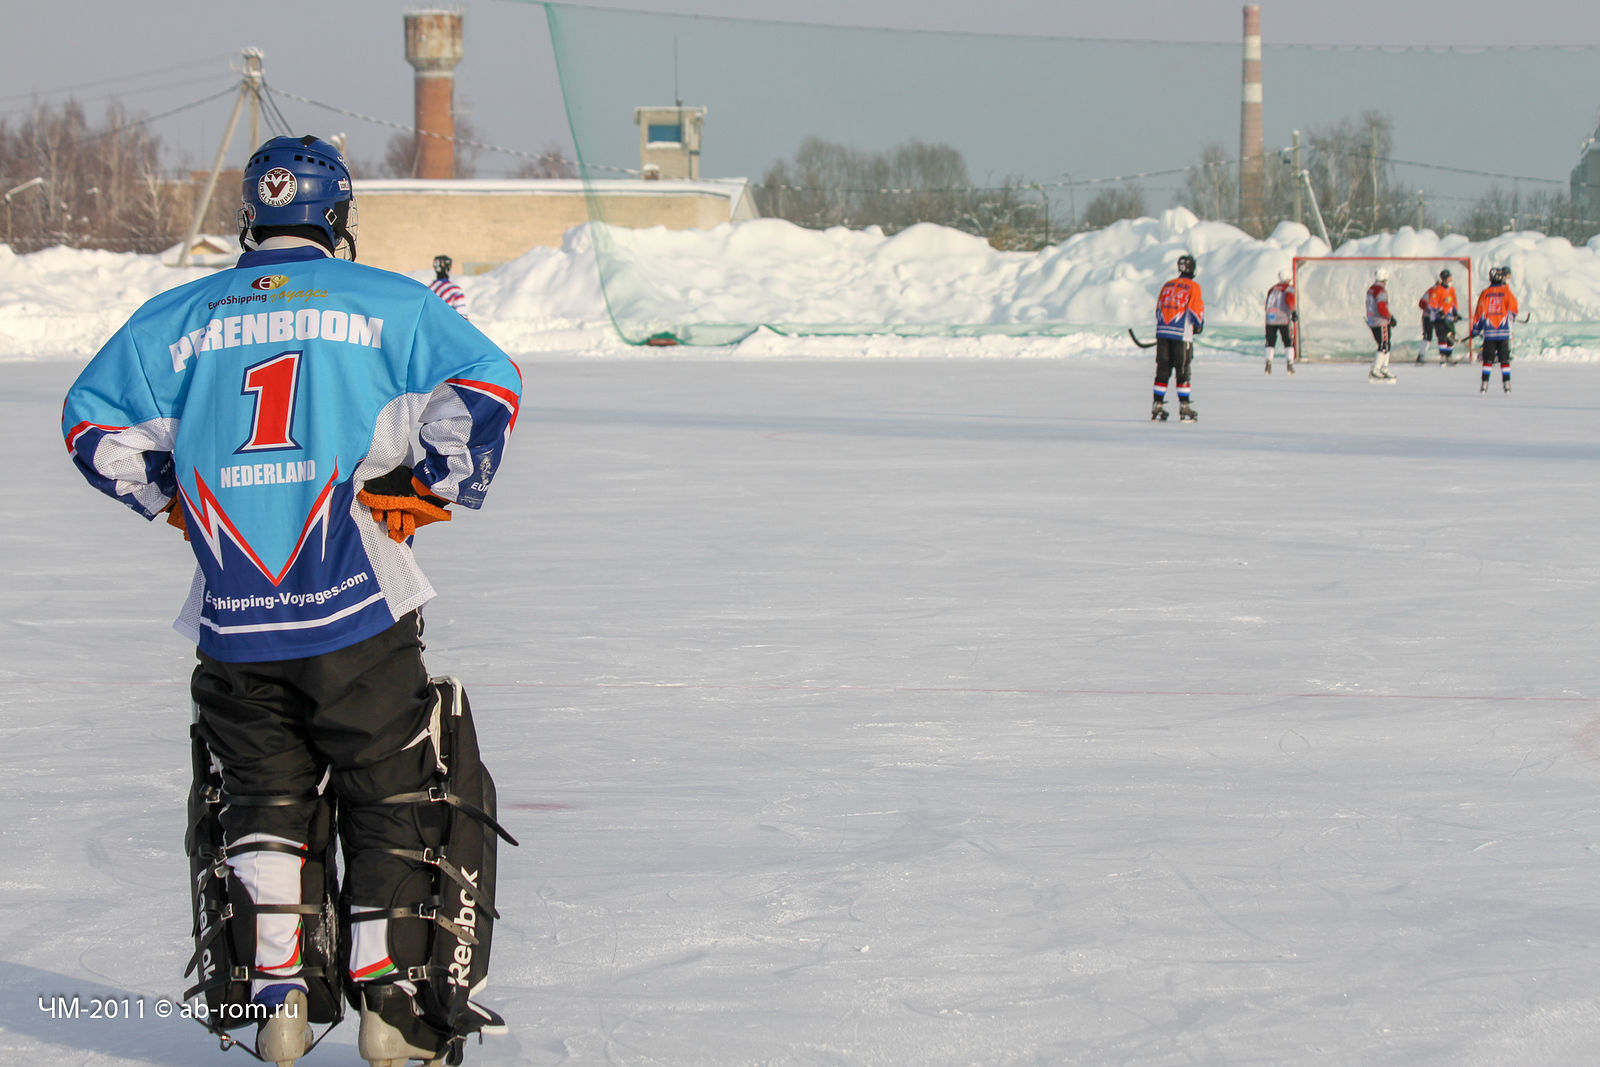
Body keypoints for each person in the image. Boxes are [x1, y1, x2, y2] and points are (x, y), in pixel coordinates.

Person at [61, 135, 523, 1067]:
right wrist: (429, 483)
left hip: (233, 613)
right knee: (391, 784)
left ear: (251, 217)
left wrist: (176, 501)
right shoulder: (386, 300)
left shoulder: (173, 316)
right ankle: (391, 1002)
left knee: (264, 794)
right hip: (356, 596)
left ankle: (278, 993)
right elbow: (487, 387)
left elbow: (91, 424)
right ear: (336, 218)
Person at [1153, 252, 1204, 421]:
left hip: (1163, 332)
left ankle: (1157, 405)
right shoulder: (1193, 287)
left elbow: (1158, 309)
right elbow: (1195, 312)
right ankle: (1184, 407)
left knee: (1162, 370)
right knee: (1182, 370)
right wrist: (1198, 326)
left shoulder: (1167, 285)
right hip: (1181, 335)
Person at [1470, 265, 1519, 393]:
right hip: (1503, 333)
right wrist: (1509, 317)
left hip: (1489, 333)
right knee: (1504, 360)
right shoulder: (1506, 292)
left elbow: (1480, 313)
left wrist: (1476, 329)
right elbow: (1513, 309)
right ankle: (1506, 383)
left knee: (1488, 360)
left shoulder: (1485, 293)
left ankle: (1484, 383)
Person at [1418, 268, 1462, 364]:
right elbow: (1426, 303)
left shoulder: (1451, 289)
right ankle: (1431, 356)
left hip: (1448, 318)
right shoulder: (1434, 290)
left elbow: (1453, 302)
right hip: (1433, 318)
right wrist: (1438, 311)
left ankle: (1448, 356)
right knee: (1435, 336)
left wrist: (1455, 313)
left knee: (1451, 337)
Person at [1365, 267, 1397, 382]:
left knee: (1385, 344)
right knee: (1384, 345)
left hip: (1372, 320)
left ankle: (1383, 369)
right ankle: (1377, 369)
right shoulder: (1381, 291)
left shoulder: (1371, 289)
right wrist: (1390, 317)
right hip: (1381, 321)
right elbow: (1381, 307)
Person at [1264, 269, 1296, 375]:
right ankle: (1290, 365)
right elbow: (1289, 300)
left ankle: (1268, 363)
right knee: (1288, 341)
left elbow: (1267, 304)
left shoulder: (1272, 289)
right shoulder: (1289, 289)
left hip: (1270, 318)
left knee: (1270, 342)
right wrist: (1293, 312)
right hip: (1283, 318)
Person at [429, 253, 469, 319]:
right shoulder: (455, 290)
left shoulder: (429, 289)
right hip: (448, 324)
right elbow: (462, 316)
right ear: (447, 268)